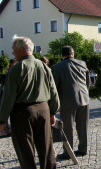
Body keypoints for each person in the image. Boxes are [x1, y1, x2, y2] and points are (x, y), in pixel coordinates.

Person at [0, 35, 60, 168]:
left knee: (25, 150)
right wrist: (53, 112)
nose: (12, 52)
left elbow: (8, 97)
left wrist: (2, 120)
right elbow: (53, 91)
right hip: (44, 110)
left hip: (23, 113)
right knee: (46, 148)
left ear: (21, 50)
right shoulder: (44, 66)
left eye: (13, 49)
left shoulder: (16, 69)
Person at [52, 46, 90, 159]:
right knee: (83, 126)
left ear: (62, 55)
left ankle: (68, 152)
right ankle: (83, 149)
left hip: (67, 100)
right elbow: (88, 82)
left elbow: (54, 86)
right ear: (72, 53)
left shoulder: (57, 67)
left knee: (68, 127)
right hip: (84, 98)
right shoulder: (82, 63)